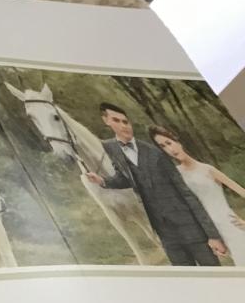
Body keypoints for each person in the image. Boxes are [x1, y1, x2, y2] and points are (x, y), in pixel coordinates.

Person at [85, 103, 225, 266]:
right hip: (165, 233)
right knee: (186, 277)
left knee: (213, 272)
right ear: (106, 121)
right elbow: (125, 178)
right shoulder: (111, 148)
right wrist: (102, 181)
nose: (124, 126)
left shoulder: (156, 152)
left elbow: (185, 192)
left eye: (126, 121)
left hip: (190, 227)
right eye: (116, 120)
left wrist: (212, 235)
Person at [150, 125, 245, 263]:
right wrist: (209, 237)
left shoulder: (207, 169)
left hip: (230, 225)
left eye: (169, 143)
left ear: (177, 141)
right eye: (163, 147)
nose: (170, 149)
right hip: (209, 231)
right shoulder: (175, 176)